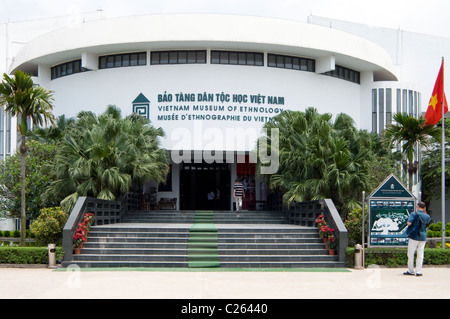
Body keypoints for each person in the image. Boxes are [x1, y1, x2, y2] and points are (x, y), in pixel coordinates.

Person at [404, 202, 431, 276]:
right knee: (420, 254)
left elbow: (409, 223)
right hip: (423, 236)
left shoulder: (414, 214)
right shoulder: (427, 216)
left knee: (410, 254)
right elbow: (427, 223)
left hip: (414, 236)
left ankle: (411, 270)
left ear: (418, 206)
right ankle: (419, 271)